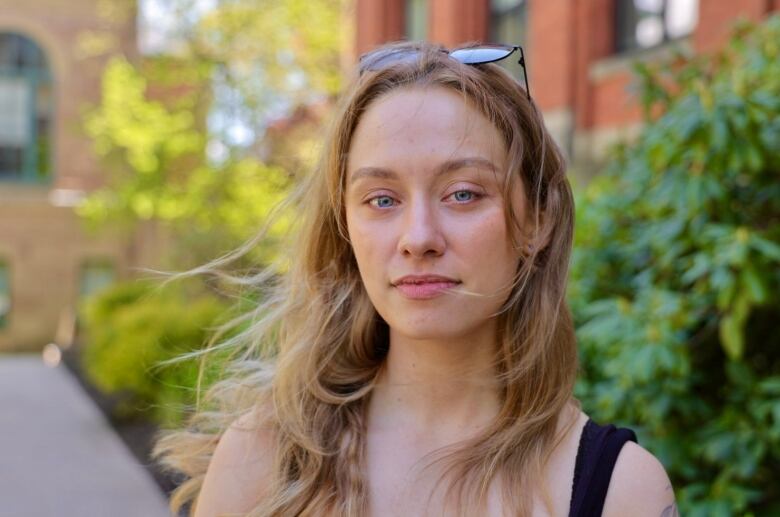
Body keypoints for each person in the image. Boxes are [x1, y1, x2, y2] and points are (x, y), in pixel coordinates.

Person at [153, 41, 677, 516]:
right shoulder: (260, 461)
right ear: (346, 227)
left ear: (537, 220)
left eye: (464, 193)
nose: (418, 237)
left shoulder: (621, 492)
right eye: (382, 200)